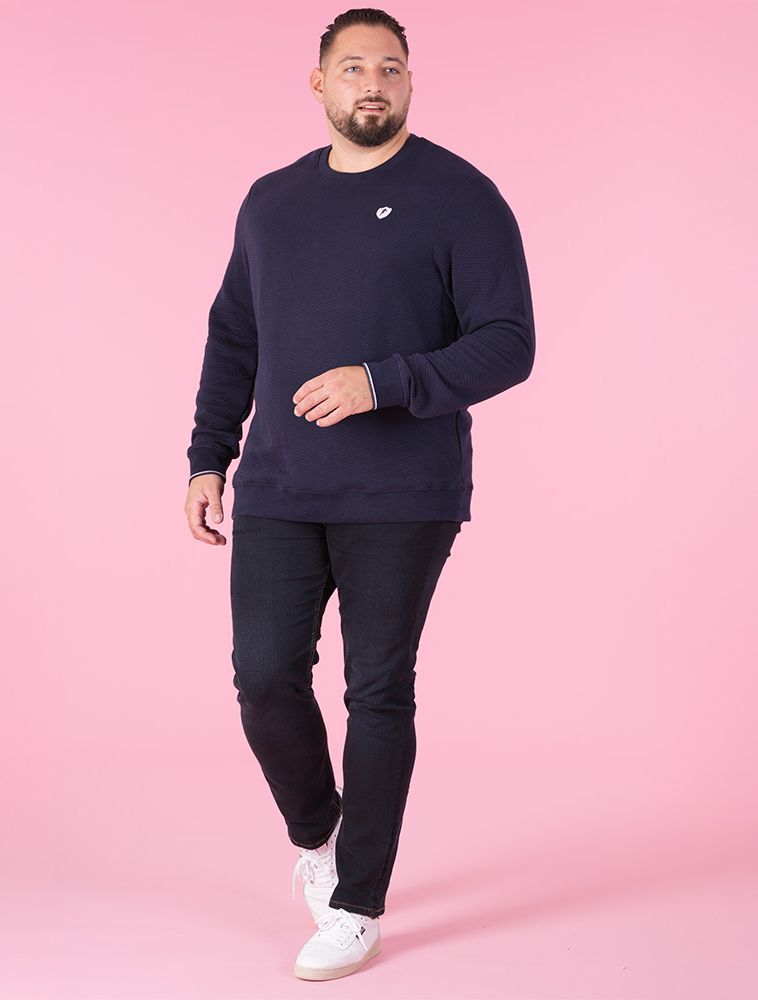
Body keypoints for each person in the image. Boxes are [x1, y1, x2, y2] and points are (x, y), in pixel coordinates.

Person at [185, 7, 533, 981]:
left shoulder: (459, 196)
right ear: (319, 83)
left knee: (377, 690)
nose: (371, 83)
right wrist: (207, 457)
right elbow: (233, 336)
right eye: (352, 68)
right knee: (264, 678)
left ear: (409, 82)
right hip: (279, 484)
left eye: (389, 67)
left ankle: (357, 904)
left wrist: (383, 380)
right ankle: (320, 835)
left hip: (404, 490)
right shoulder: (271, 202)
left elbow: (509, 342)